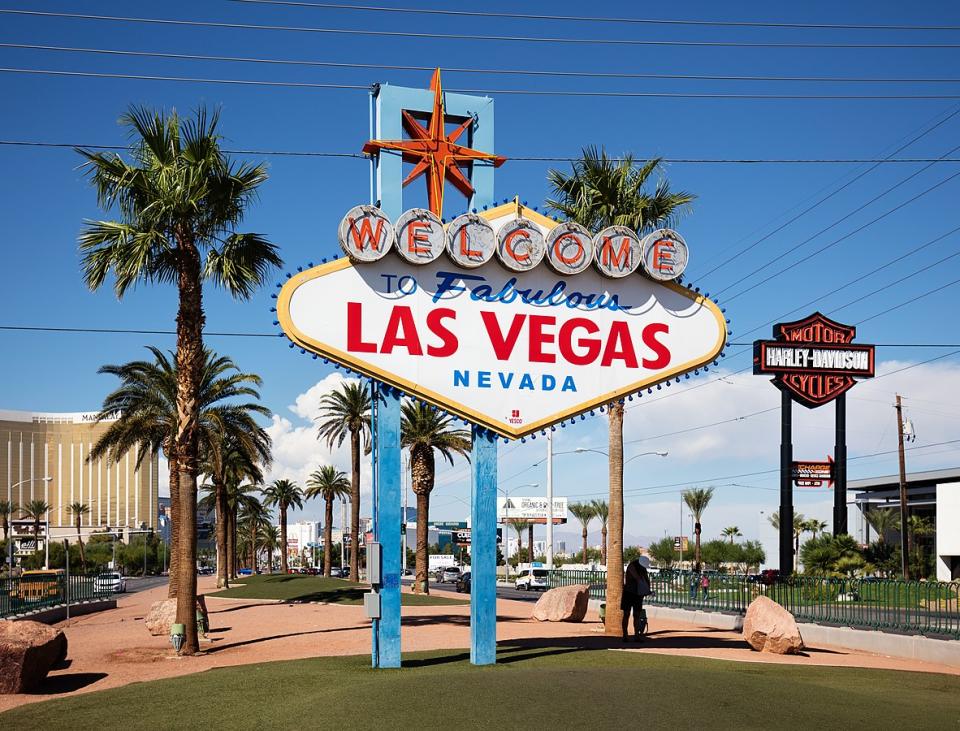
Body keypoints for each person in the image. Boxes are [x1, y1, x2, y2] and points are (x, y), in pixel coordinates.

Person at [621, 558, 652, 641]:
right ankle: (625, 635)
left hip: (638, 595)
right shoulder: (632, 566)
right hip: (629, 593)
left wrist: (648, 589)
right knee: (626, 614)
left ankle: (636, 635)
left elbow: (646, 579)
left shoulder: (643, 569)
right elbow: (638, 578)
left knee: (637, 615)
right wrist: (645, 588)